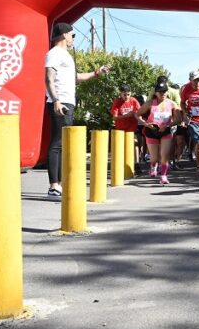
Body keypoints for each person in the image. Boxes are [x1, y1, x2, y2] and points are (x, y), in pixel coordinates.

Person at [45, 22, 110, 198]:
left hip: (68, 102)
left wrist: (97, 72)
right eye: (72, 35)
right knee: (57, 143)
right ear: (64, 35)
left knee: (64, 143)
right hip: (60, 102)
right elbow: (48, 79)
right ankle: (53, 186)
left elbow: (77, 78)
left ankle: (59, 184)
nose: (73, 39)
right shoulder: (54, 54)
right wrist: (56, 101)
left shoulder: (65, 56)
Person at [135, 82, 181, 185]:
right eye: (160, 92)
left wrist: (169, 125)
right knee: (155, 157)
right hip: (152, 131)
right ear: (156, 93)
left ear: (167, 92)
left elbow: (179, 119)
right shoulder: (150, 103)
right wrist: (146, 124)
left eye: (164, 91)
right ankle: (153, 165)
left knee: (164, 155)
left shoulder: (172, 104)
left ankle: (163, 176)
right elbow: (137, 115)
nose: (162, 93)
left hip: (165, 131)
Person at [110, 84, 141, 166]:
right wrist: (126, 115)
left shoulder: (134, 100)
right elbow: (114, 118)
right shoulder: (117, 102)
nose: (126, 96)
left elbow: (140, 112)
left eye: (128, 94)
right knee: (122, 146)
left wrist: (136, 115)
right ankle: (122, 163)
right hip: (121, 129)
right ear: (120, 93)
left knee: (135, 143)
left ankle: (136, 163)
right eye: (124, 94)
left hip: (132, 128)